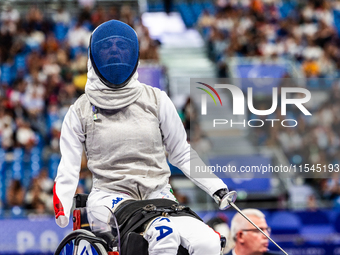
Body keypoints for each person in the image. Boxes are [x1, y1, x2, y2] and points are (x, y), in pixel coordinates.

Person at [53, 19, 235, 255]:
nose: (115, 50)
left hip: (158, 195)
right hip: (109, 199)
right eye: (108, 46)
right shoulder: (80, 110)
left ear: (134, 53)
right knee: (164, 235)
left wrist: (216, 187)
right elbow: (68, 166)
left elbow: (181, 151)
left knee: (208, 242)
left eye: (122, 45)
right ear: (94, 54)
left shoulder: (156, 99)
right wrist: (62, 206)